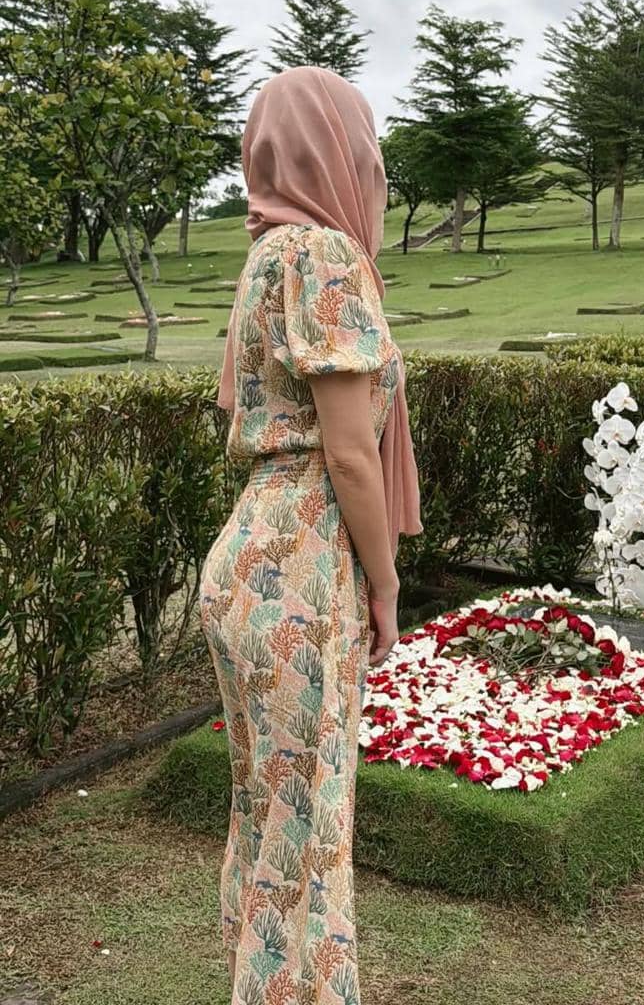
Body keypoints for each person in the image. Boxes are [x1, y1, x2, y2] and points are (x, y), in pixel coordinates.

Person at [199, 66, 422, 1005]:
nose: (370, 164)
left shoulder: (264, 253)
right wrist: (386, 582)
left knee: (272, 815)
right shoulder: (327, 255)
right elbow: (351, 453)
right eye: (362, 143)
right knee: (308, 824)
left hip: (251, 550)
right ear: (335, 148)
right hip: (304, 560)